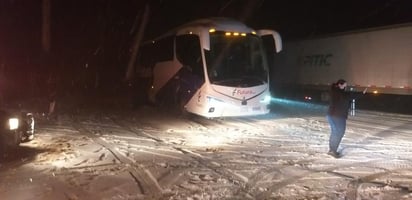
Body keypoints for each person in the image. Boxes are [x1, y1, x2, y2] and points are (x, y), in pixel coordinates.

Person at [327, 79, 367, 158]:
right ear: (340, 85)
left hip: (331, 115)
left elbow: (348, 96)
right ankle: (333, 150)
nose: (345, 87)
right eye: (345, 85)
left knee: (335, 132)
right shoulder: (340, 93)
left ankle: (332, 149)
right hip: (338, 116)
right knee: (339, 132)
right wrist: (362, 93)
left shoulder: (334, 91)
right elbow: (349, 96)